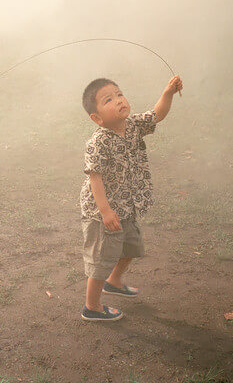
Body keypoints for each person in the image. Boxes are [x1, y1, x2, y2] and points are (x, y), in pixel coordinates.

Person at [79, 74, 183, 322]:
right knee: (101, 260)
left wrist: (168, 92)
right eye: (108, 100)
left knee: (131, 246)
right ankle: (91, 307)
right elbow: (95, 177)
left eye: (119, 94)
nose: (119, 100)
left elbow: (157, 114)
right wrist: (105, 212)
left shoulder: (133, 125)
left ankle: (114, 282)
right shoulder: (99, 141)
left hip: (127, 205)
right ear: (97, 117)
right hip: (102, 212)